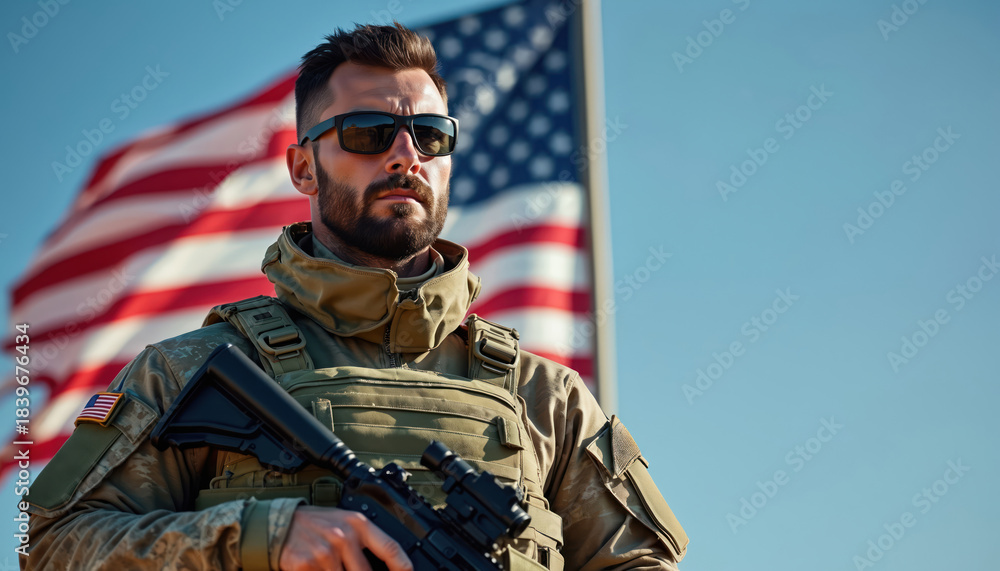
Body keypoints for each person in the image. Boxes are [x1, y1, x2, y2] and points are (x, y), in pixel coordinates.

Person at [22, 23, 688, 571]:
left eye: (432, 135)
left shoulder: (547, 397)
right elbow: (55, 547)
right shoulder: (193, 369)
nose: (406, 156)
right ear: (303, 167)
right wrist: (262, 534)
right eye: (369, 134)